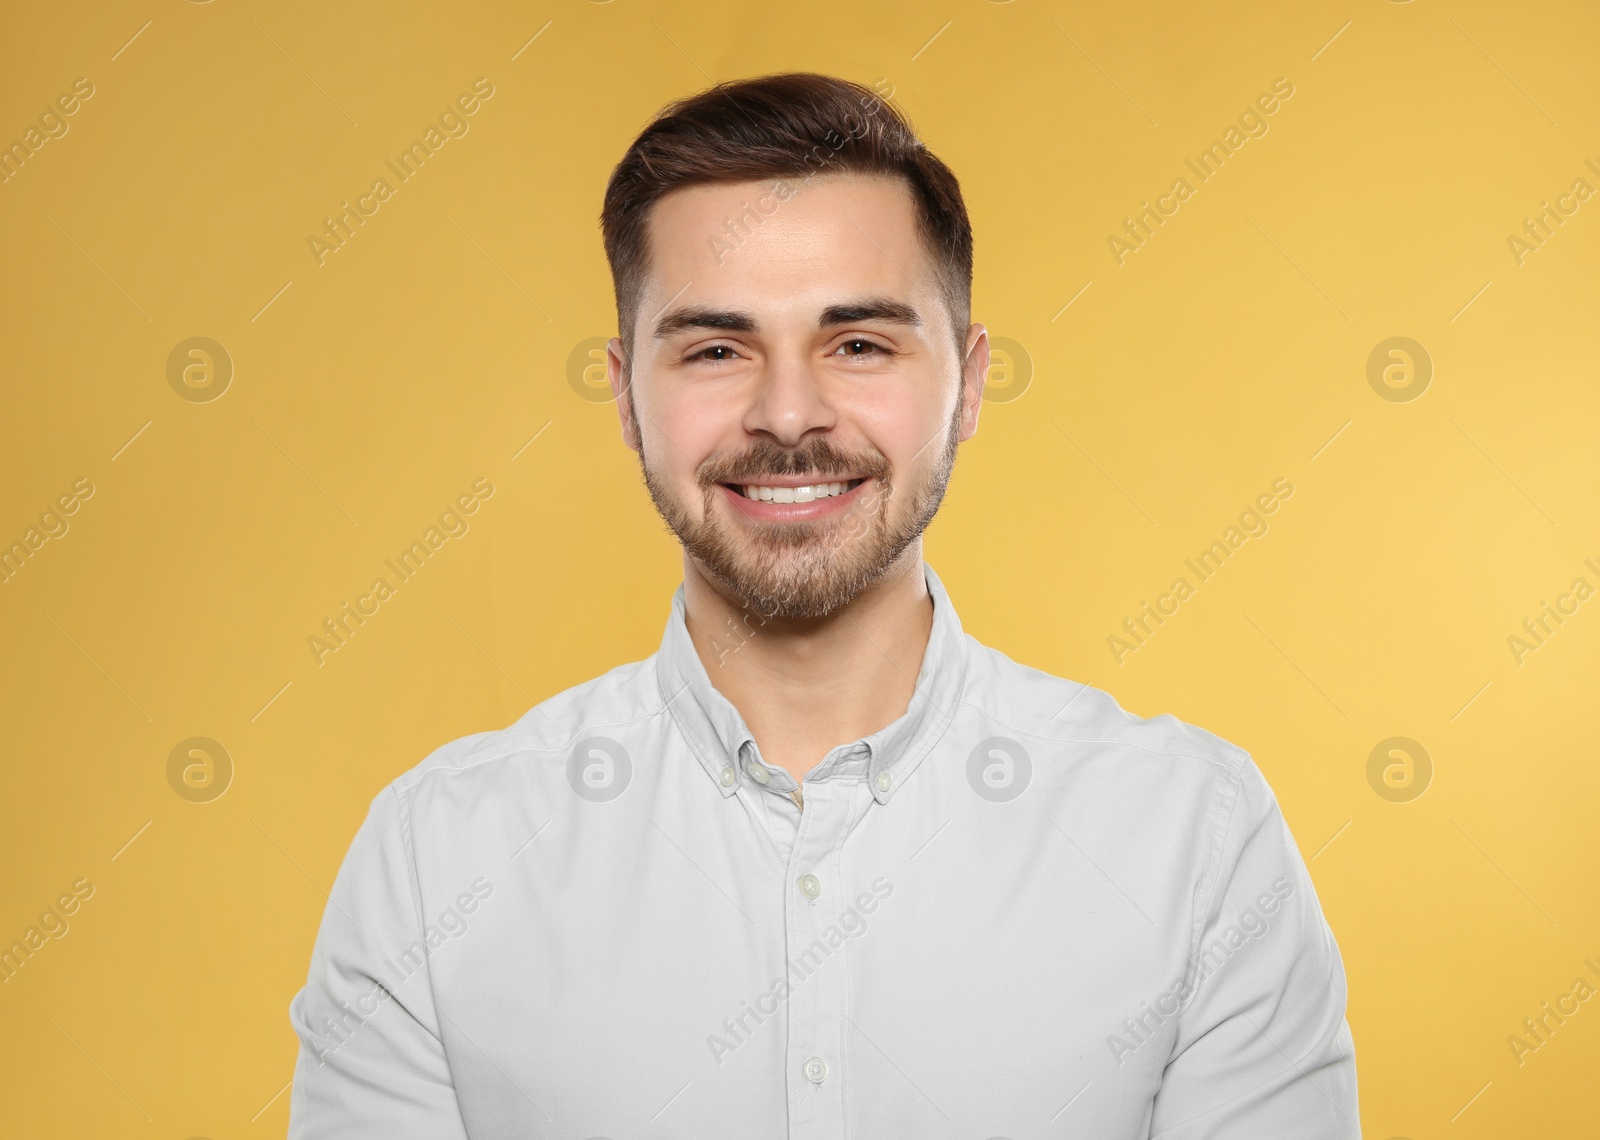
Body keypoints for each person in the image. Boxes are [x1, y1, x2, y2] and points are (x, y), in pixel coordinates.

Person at [286, 71, 1359, 1138]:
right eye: (715, 348)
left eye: (858, 344)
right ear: (623, 396)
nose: (788, 414)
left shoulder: (1194, 845)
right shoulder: (438, 863)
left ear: (970, 383)